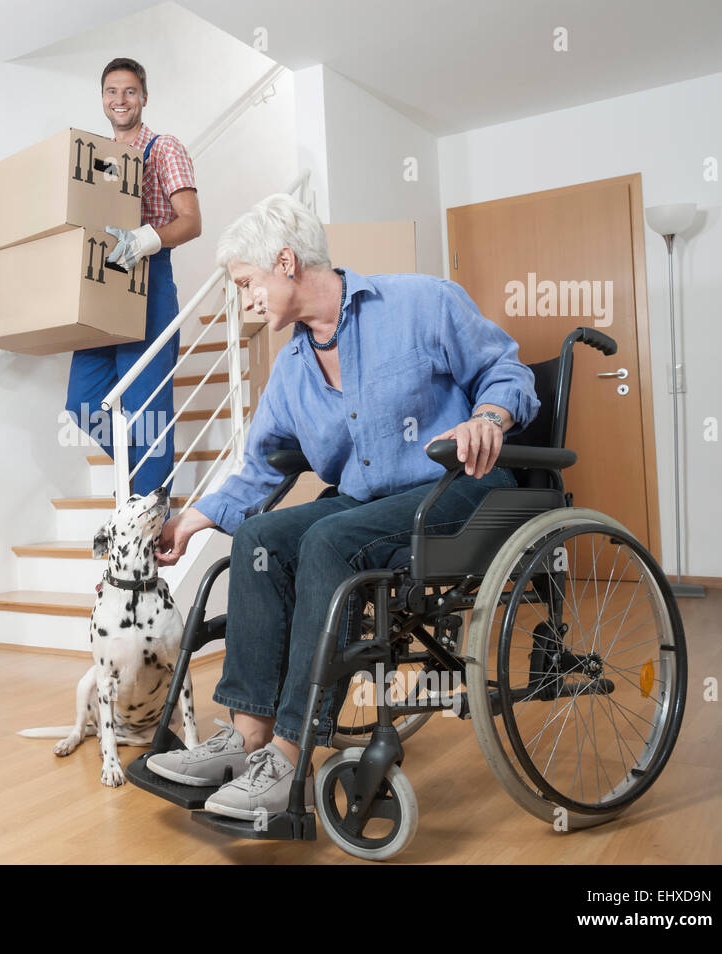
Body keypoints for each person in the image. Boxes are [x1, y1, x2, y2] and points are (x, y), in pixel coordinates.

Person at [146, 193, 540, 820]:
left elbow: (507, 370)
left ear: (284, 262)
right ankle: (247, 734)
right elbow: (257, 472)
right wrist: (190, 524)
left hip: (460, 487)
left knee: (329, 541)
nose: (245, 299)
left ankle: (290, 753)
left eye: (246, 283)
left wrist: (488, 416)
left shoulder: (420, 303)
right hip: (369, 506)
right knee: (260, 540)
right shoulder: (293, 370)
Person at [65, 57, 201, 502]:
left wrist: (148, 239)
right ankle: (139, 480)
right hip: (104, 285)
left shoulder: (165, 148)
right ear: (102, 98)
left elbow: (192, 222)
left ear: (143, 97)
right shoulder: (98, 155)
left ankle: (148, 512)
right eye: (111, 91)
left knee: (148, 407)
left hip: (151, 280)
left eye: (129, 91)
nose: (120, 100)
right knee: (84, 402)